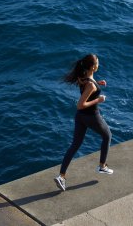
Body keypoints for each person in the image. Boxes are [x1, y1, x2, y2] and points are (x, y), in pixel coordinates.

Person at [54, 54, 113, 191]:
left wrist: (98, 83)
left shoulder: (83, 78)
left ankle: (61, 177)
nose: (99, 64)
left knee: (75, 145)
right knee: (107, 136)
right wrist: (98, 100)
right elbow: (80, 105)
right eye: (97, 62)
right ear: (93, 66)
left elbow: (89, 86)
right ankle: (102, 166)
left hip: (80, 117)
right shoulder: (91, 85)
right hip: (91, 116)